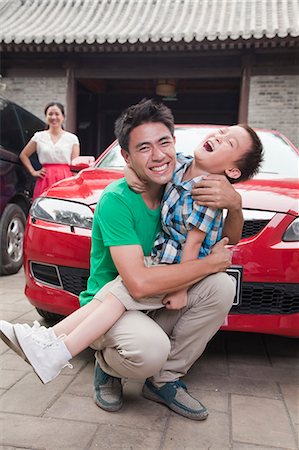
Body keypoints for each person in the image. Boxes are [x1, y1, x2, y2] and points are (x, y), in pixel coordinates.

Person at [0, 99, 256, 421]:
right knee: (147, 345)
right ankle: (103, 363)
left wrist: (235, 203)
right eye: (143, 148)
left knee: (221, 286)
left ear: (174, 145)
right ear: (127, 156)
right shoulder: (118, 198)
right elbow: (137, 283)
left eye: (164, 143)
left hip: (160, 286)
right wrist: (208, 264)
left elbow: (226, 239)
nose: (158, 155)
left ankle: (163, 380)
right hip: (127, 292)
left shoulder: (188, 180)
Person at [20, 102, 80, 199]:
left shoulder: (72, 138)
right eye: (50, 114)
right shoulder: (39, 136)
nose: (53, 117)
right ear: (46, 117)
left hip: (66, 179)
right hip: (45, 178)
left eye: (57, 114)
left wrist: (75, 183)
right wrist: (33, 171)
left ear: (63, 117)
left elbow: (75, 164)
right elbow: (24, 155)